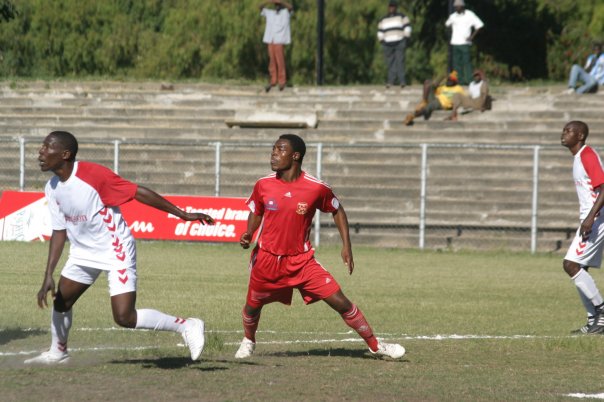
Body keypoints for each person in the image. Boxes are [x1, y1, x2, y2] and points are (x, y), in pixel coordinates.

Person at [24, 131, 215, 364]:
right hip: (83, 252)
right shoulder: (52, 187)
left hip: (115, 250)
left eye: (46, 147)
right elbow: (59, 230)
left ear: (65, 154)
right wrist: (48, 274)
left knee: (124, 317)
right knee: (62, 301)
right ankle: (58, 352)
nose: (40, 152)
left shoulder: (93, 175)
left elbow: (137, 192)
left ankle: (187, 325)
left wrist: (182, 214)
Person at [234, 134, 405, 359]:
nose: (273, 154)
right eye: (273, 149)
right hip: (267, 258)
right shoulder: (263, 184)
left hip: (302, 261)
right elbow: (256, 211)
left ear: (295, 156)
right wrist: (249, 233)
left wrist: (347, 246)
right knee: (252, 307)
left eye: (280, 149)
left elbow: (337, 209)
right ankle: (248, 340)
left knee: (341, 302)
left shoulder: (316, 188)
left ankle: (375, 345)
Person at [560, 121, 604, 334]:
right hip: (591, 219)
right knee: (580, 269)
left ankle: (601, 311)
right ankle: (593, 321)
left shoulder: (588, 155)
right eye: (564, 130)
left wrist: (590, 218)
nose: (564, 133)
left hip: (596, 220)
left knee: (570, 264)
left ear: (580, 136)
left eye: (569, 131)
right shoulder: (578, 157)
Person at [445, 0, 484, 86]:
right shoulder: (453, 16)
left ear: (462, 6)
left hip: (465, 43)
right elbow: (447, 24)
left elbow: (479, 25)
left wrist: (471, 37)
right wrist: (453, 32)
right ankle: (459, 81)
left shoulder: (470, 15)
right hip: (455, 42)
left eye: (458, 6)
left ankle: (470, 80)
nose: (456, 8)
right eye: (455, 7)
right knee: (456, 63)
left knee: (467, 62)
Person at [260, 0, 293, 93]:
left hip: (279, 40)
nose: (277, 6)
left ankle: (282, 81)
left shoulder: (285, 13)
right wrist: (270, 1)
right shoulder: (270, 13)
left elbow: (290, 7)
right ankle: (273, 80)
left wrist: (281, 2)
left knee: (280, 60)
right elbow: (260, 7)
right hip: (271, 39)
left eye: (279, 5)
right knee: (272, 61)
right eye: (276, 5)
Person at [377, 0, 412, 88]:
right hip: (387, 44)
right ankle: (391, 81)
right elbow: (380, 31)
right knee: (390, 63)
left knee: (400, 61)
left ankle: (402, 81)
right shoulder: (383, 19)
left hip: (399, 42)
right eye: (390, 7)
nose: (391, 8)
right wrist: (382, 40)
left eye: (393, 6)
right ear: (388, 8)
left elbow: (407, 27)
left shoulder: (402, 17)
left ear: (396, 7)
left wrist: (406, 37)